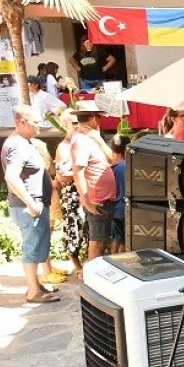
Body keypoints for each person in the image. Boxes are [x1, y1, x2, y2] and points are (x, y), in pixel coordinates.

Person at [2, 105, 59, 303]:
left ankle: (36, 285)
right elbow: (11, 176)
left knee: (36, 246)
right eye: (35, 123)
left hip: (34, 203)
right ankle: (33, 291)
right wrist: (30, 202)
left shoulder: (24, 142)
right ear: (21, 122)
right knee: (32, 247)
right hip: (29, 206)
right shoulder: (17, 145)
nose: (39, 127)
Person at [70, 100, 118, 261]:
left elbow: (112, 158)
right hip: (97, 199)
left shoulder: (91, 138)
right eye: (98, 117)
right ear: (92, 118)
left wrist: (98, 139)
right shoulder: (81, 140)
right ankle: (92, 277)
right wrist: (87, 201)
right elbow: (78, 171)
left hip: (103, 197)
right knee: (97, 242)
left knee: (101, 240)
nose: (100, 121)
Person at [54, 109, 86, 278]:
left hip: (85, 190)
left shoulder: (81, 142)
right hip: (72, 193)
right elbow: (61, 176)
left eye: (78, 122)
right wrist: (80, 172)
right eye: (73, 123)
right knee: (74, 227)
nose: (77, 126)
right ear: (65, 124)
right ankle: (76, 262)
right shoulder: (63, 147)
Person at [108, 134, 129, 254]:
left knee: (117, 239)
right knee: (125, 242)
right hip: (123, 208)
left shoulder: (111, 166)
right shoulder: (126, 166)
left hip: (114, 208)